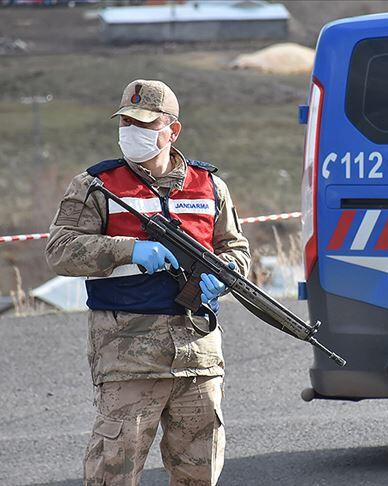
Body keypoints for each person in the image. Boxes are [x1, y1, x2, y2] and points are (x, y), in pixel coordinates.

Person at [46, 79, 250, 485]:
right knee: (113, 474)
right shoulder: (97, 186)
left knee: (199, 473)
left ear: (172, 130)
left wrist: (224, 276)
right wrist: (130, 250)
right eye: (126, 123)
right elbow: (60, 250)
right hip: (128, 357)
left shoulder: (209, 186)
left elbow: (238, 250)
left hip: (198, 356)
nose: (132, 132)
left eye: (144, 123)